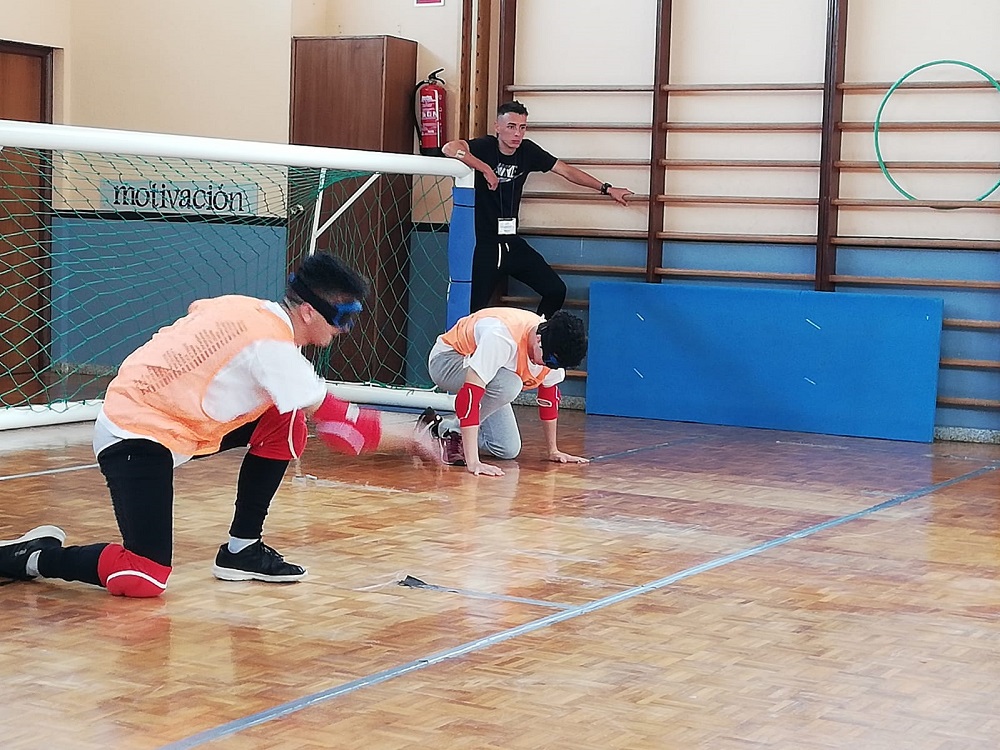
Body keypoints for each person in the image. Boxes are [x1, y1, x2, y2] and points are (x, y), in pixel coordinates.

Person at [0, 253, 436, 597]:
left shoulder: (245, 307)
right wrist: (412, 437)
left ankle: (242, 550)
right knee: (144, 576)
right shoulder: (273, 348)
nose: (346, 329)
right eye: (342, 318)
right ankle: (32, 558)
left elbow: (198, 313)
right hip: (135, 435)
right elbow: (344, 430)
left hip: (181, 423)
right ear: (307, 312)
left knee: (287, 418)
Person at [442, 101, 634, 318]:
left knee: (556, 290)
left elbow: (566, 171)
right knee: (470, 310)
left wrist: (607, 188)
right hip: (483, 246)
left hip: (511, 243)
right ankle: (461, 340)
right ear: (497, 127)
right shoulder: (485, 147)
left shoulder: (527, 151)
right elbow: (450, 148)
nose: (517, 134)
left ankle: (539, 335)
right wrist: (484, 168)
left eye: (522, 127)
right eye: (511, 127)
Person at [425, 306, 589, 477]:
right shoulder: (501, 336)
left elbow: (549, 397)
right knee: (510, 385)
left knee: (507, 449)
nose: (550, 367)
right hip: (447, 361)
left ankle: (438, 427)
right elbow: (470, 396)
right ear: (538, 339)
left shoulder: (552, 350)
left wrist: (553, 450)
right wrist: (473, 463)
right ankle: (455, 432)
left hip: (494, 375)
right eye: (550, 361)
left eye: (556, 365)